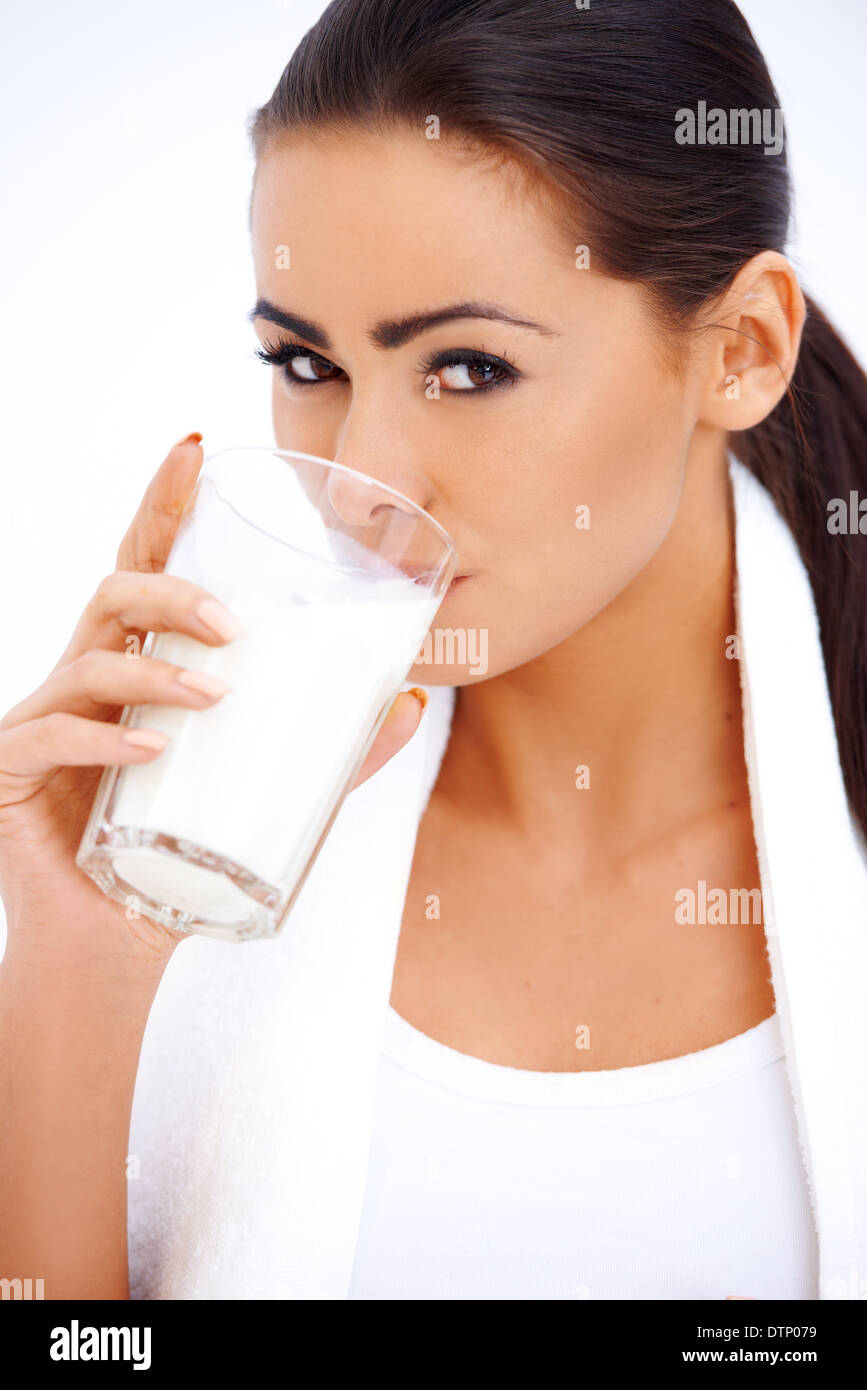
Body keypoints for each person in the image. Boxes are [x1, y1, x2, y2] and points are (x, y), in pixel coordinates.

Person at [2, 0, 866, 1301]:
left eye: (466, 367)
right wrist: (77, 956)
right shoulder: (209, 846)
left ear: (740, 351)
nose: (358, 481)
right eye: (304, 359)